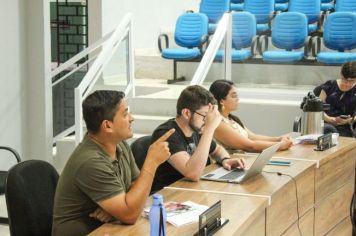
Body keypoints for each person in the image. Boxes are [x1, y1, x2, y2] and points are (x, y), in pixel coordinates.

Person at [52, 90, 175, 236]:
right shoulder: (91, 162)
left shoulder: (118, 144)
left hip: (109, 227)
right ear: (107, 126)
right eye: (125, 114)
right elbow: (130, 215)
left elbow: (136, 186)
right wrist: (151, 163)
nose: (132, 118)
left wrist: (116, 211)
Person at [150, 85, 246, 193]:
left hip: (193, 190)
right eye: (205, 115)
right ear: (186, 113)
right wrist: (209, 128)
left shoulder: (196, 129)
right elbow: (193, 174)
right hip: (171, 195)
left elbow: (217, 150)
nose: (207, 120)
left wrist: (225, 159)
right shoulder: (167, 133)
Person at [209, 80, 293, 153]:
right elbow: (249, 146)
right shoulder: (217, 123)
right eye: (234, 96)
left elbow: (253, 137)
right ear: (221, 101)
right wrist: (279, 145)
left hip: (243, 160)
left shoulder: (232, 119)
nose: (238, 99)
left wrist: (278, 139)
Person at [319, 61, 356, 137]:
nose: (348, 84)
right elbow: (317, 109)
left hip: (347, 127)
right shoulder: (329, 85)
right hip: (325, 123)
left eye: (352, 81)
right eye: (345, 80)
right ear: (341, 74)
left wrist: (349, 120)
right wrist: (330, 119)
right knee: (326, 130)